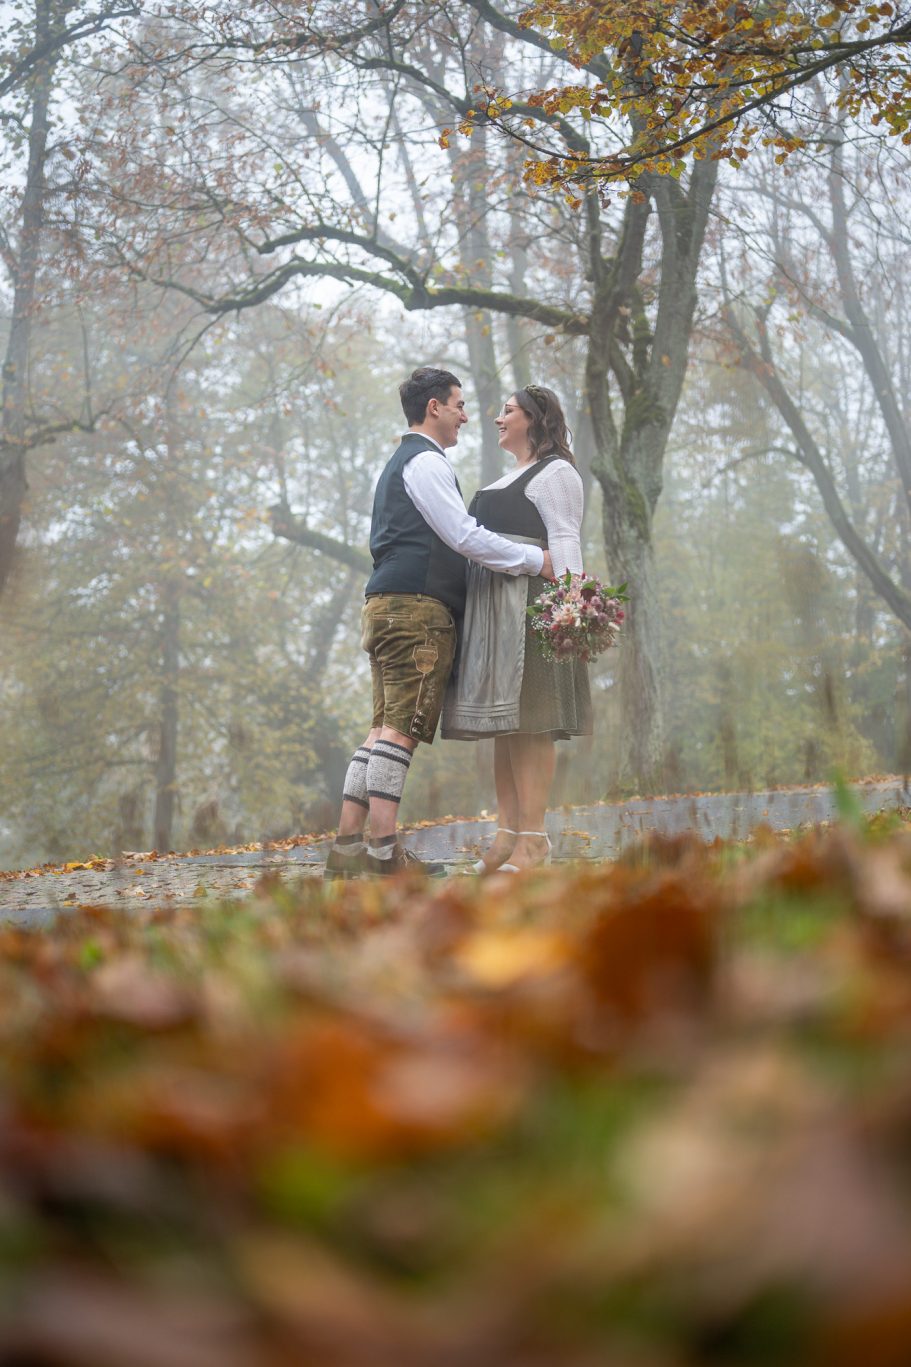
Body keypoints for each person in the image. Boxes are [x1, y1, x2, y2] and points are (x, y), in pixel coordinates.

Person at [324, 367, 555, 879]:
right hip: (416, 611)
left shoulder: (398, 463)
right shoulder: (425, 462)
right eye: (458, 405)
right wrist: (532, 561)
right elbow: (464, 535)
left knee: (380, 731)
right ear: (434, 408)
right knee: (401, 732)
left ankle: (345, 852)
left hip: (384, 605)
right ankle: (385, 855)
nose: (466, 416)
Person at [442, 385, 592, 872]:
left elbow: (565, 540)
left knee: (532, 727)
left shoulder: (556, 474)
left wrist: (570, 612)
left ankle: (534, 839)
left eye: (507, 411)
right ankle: (506, 835)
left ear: (534, 418)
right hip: (493, 617)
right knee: (504, 728)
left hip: (533, 612)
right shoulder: (506, 478)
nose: (497, 419)